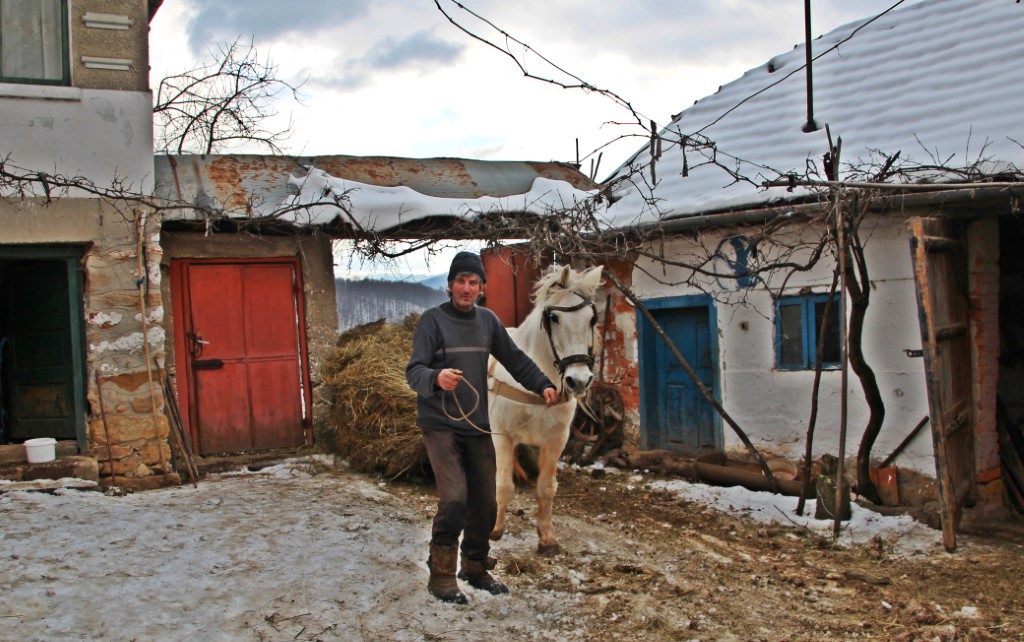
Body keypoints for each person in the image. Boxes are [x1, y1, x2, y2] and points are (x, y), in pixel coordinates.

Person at [406, 251, 560, 604]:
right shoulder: (432, 322)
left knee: (486, 502)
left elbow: (515, 359)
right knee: (454, 498)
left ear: (481, 288)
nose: (466, 288)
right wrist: (435, 377)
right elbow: (414, 371)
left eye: (473, 282)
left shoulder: (488, 321)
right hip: (439, 425)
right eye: (460, 281)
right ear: (450, 285)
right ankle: (441, 575)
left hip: (476, 424)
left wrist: (542, 384)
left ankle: (474, 567)